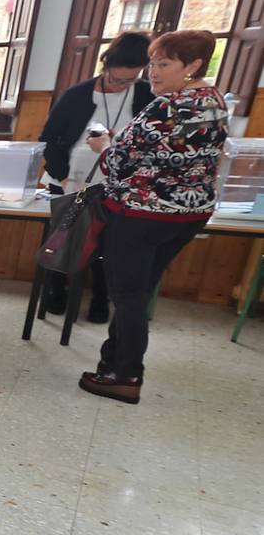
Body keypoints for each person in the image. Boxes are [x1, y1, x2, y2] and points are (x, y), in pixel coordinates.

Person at [81, 30, 228, 404]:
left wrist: (103, 145)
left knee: (127, 296)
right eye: (153, 63)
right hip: (189, 213)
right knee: (141, 291)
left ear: (192, 66)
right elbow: (167, 152)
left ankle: (125, 375)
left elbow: (118, 163)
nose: (154, 72)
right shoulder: (212, 100)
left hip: (143, 213)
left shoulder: (166, 105)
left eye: (164, 64)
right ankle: (111, 363)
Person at [38, 31, 155, 322]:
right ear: (105, 66)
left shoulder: (145, 95)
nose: (119, 85)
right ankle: (56, 291)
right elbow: (50, 139)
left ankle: (101, 299)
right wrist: (62, 177)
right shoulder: (78, 94)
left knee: (108, 245)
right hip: (70, 180)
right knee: (63, 238)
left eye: (128, 80)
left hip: (118, 185)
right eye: (115, 78)